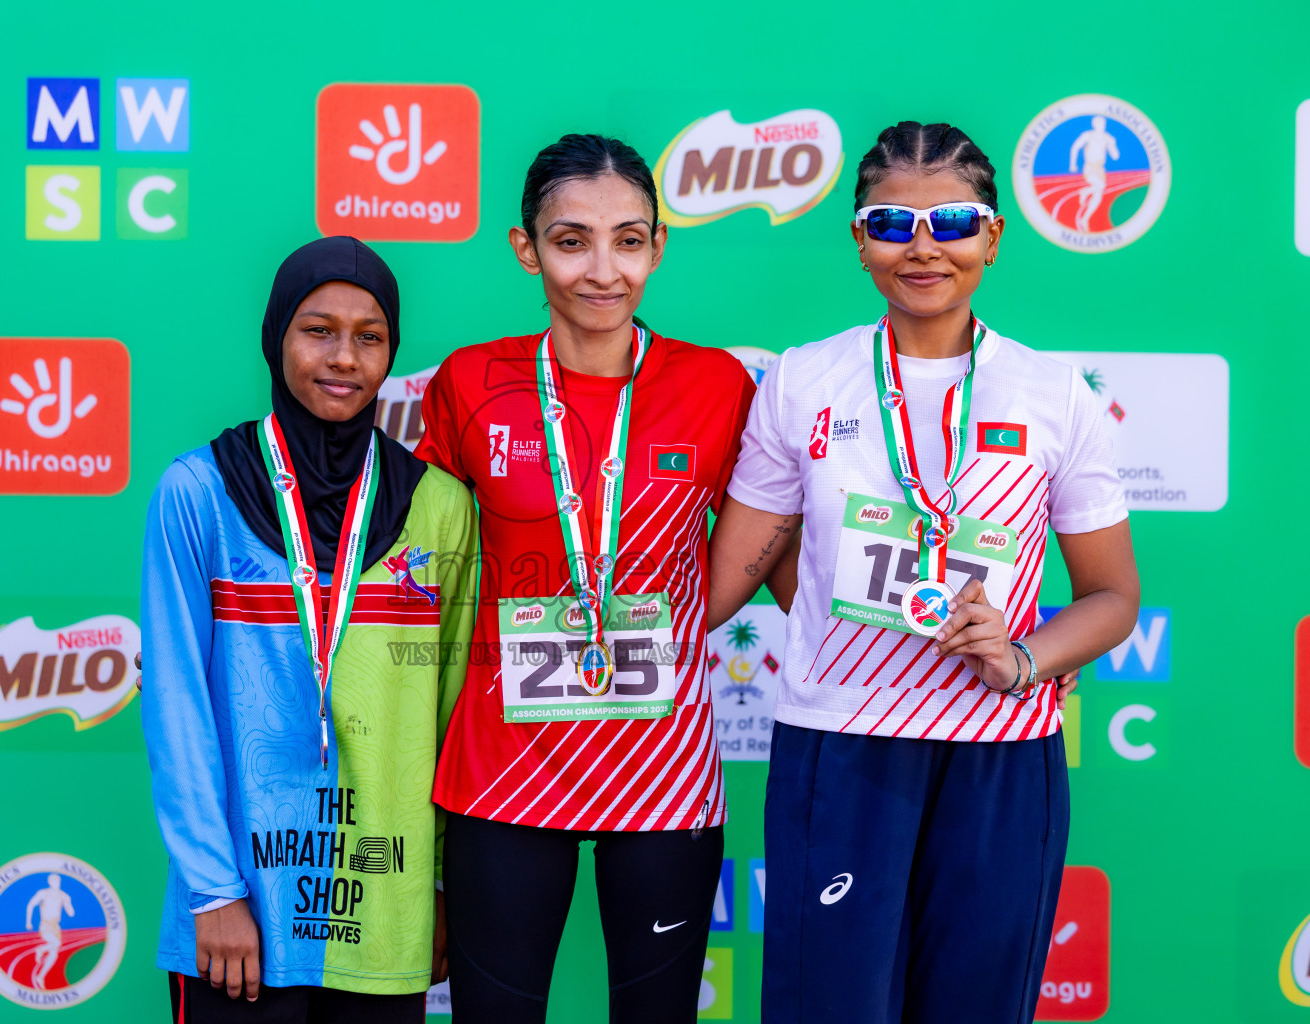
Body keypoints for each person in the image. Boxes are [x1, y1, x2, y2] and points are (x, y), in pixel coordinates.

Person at [707, 121, 1140, 1024]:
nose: (923, 246)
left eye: (952, 221)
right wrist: (831, 617)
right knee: (829, 1007)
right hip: (840, 741)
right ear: (859, 238)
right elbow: (740, 565)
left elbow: (1112, 597)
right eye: (891, 223)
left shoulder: (1054, 394)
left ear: (993, 236)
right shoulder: (802, 381)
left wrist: (1024, 659)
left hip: (1002, 750)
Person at [414, 133, 757, 1022]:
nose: (603, 271)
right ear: (526, 249)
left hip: (666, 774)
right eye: (571, 242)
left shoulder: (718, 385)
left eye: (628, 241)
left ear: (658, 247)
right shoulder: (469, 381)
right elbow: (419, 571)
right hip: (503, 769)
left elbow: (774, 549)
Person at [142, 236, 478, 1023]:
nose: (344, 357)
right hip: (240, 917)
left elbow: (454, 716)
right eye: (317, 330)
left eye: (370, 336)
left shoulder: (440, 507)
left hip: (386, 913)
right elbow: (176, 707)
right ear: (275, 336)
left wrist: (440, 884)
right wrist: (212, 891)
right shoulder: (198, 491)